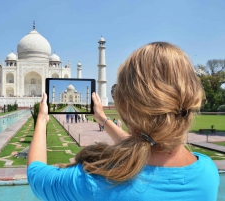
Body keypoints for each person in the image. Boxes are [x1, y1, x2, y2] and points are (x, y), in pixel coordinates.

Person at [27, 42, 219, 200]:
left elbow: (36, 174)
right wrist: (102, 119)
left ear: (125, 106)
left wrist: (42, 119)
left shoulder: (96, 183)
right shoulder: (208, 171)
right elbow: (146, 144)